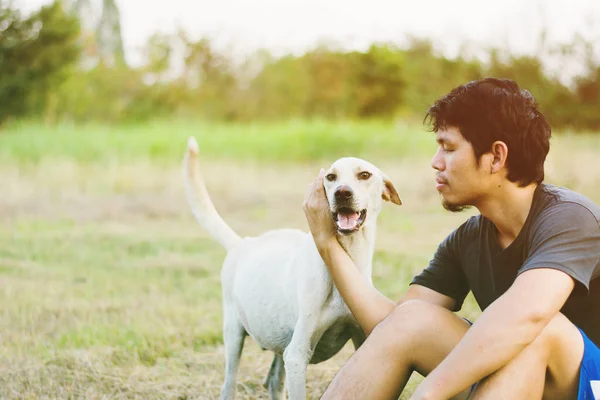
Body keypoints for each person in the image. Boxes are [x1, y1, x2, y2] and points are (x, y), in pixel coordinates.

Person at [302, 78, 600, 399]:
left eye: (448, 147)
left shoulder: (571, 217)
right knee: (412, 318)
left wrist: (430, 392)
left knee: (541, 332)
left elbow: (530, 314)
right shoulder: (467, 239)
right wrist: (327, 244)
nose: (436, 161)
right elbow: (390, 327)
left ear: (496, 157)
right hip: (526, 381)